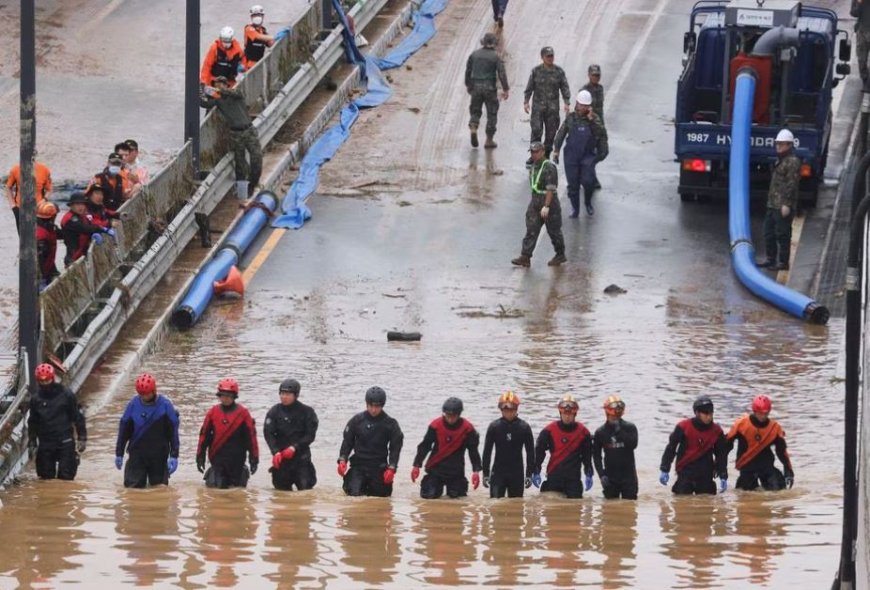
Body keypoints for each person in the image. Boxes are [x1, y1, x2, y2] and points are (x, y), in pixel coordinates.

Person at [115, 373, 181, 488]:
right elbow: (124, 430)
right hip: (137, 453)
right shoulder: (133, 405)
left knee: (159, 489)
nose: (144, 397)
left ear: (154, 391)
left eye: (147, 394)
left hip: (159, 455)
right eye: (142, 394)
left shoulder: (165, 406)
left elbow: (173, 432)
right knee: (133, 488)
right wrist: (119, 453)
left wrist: (174, 455)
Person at [201, 75, 263, 197]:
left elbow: (232, 92)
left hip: (249, 130)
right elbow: (204, 104)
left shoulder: (236, 94)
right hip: (236, 133)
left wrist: (215, 90)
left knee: (257, 158)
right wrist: (201, 91)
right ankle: (242, 192)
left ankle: (252, 184)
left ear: (226, 85)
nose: (218, 87)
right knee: (239, 164)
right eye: (216, 85)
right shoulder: (219, 101)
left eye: (221, 84)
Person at [337, 386, 404, 497]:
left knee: (381, 498)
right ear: (366, 403)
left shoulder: (391, 424)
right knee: (353, 495)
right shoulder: (356, 421)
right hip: (358, 465)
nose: (373, 410)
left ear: (382, 405)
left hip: (378, 467)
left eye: (377, 406)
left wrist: (392, 468)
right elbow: (347, 442)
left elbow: (395, 448)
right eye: (371, 406)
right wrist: (342, 459)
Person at [411, 397, 483, 499]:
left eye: (453, 416)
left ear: (459, 414)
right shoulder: (435, 425)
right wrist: (416, 465)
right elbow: (425, 446)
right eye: (447, 415)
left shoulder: (468, 429)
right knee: (429, 497)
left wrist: (476, 471)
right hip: (435, 469)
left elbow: (473, 451)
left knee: (457, 500)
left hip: (456, 471)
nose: (450, 419)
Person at [553, 90, 608, 217]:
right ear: (577, 104)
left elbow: (601, 133)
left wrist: (592, 120)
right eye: (580, 104)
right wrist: (556, 150)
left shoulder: (594, 119)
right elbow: (561, 133)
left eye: (585, 105)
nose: (582, 107)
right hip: (571, 156)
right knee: (573, 185)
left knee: (588, 182)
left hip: (587, 156)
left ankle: (588, 202)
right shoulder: (571, 118)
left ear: (589, 107)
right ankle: (575, 209)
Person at [196, 378, 260, 488]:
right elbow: (204, 435)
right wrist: (200, 456)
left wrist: (254, 458)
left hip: (237, 459)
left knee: (236, 492)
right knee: (216, 491)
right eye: (222, 395)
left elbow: (251, 437)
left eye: (228, 396)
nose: (225, 398)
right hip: (218, 458)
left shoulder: (243, 414)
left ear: (234, 396)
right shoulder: (213, 412)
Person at [659, 395, 729, 495]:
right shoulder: (683, 427)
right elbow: (671, 448)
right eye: (705, 413)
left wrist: (723, 475)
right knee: (681, 504)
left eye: (711, 413)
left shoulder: (717, 431)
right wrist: (665, 469)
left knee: (706, 505)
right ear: (697, 413)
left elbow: (721, 454)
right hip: (685, 472)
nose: (709, 417)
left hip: (706, 473)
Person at [28, 363, 87, 480]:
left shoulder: (66, 395)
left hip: (65, 441)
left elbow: (78, 417)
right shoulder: (35, 399)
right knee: (45, 478)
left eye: (47, 381)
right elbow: (32, 422)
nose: (45, 384)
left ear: (52, 378)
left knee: (66, 477)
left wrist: (82, 437)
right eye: (42, 382)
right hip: (46, 443)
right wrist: (32, 441)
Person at [511, 141, 565, 267]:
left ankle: (560, 254)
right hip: (535, 201)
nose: (534, 154)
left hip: (549, 202)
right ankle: (525, 256)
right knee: (531, 229)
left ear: (542, 152)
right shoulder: (534, 165)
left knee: (554, 231)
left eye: (536, 152)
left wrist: (546, 206)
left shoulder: (549, 167)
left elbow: (550, 189)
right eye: (532, 152)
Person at [726, 395, 794, 491]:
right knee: (743, 495)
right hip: (747, 467)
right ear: (754, 411)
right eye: (760, 413)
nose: (763, 416)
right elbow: (726, 445)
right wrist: (721, 467)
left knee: (779, 490)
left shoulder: (775, 428)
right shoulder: (741, 424)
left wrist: (788, 471)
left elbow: (782, 452)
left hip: (766, 466)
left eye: (766, 414)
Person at [532, 394, 594, 499]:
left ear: (575, 414)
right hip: (554, 476)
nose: (567, 416)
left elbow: (587, 456)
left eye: (570, 413)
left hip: (573, 479)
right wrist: (536, 470)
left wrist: (589, 473)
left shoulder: (583, 432)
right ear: (560, 413)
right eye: (565, 413)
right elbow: (539, 451)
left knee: (575, 508)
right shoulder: (549, 430)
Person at [264, 378, 319, 491]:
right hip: (281, 460)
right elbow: (268, 433)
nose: (284, 397)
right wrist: (275, 452)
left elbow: (310, 435)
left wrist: (294, 447)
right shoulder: (274, 412)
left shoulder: (307, 412)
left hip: (301, 459)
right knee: (281, 495)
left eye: (288, 394)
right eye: (282, 393)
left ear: (296, 395)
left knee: (305, 492)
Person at [758, 129, 800, 271]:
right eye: (777, 144)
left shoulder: (792, 162)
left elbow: (791, 184)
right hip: (772, 204)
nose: (778, 146)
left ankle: (783, 262)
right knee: (768, 232)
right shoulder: (780, 161)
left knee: (782, 234)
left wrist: (786, 204)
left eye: (781, 144)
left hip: (782, 205)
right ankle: (771, 259)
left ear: (789, 145)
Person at [481, 390, 535, 498]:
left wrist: (529, 474)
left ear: (516, 409)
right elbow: (487, 452)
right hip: (498, 473)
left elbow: (530, 453)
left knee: (517, 508)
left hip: (517, 473)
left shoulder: (524, 427)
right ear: (501, 409)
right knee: (495, 507)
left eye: (511, 409)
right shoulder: (494, 427)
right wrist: (485, 474)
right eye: (505, 409)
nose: (508, 412)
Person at [523, 46, 571, 161]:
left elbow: (564, 87)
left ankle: (546, 153)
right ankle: (534, 155)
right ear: (542, 57)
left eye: (552, 56)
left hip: (552, 109)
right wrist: (526, 101)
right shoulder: (536, 71)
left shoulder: (559, 72)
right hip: (538, 107)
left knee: (551, 132)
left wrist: (567, 102)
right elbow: (530, 87)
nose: (550, 58)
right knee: (536, 130)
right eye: (548, 56)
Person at [464, 33, 509, 149]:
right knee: (492, 113)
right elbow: (502, 73)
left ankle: (474, 126)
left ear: (483, 42)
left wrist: (469, 85)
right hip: (490, 88)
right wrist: (505, 88)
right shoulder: (496, 56)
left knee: (475, 111)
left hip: (476, 87)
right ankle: (489, 140)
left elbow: (468, 71)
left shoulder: (474, 55)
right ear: (494, 43)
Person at [592, 395, 638, 499]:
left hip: (629, 476)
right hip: (610, 477)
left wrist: (620, 431)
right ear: (606, 413)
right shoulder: (600, 432)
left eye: (617, 416)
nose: (614, 418)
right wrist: (601, 475)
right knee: (609, 510)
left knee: (630, 508)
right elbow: (596, 456)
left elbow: (633, 445)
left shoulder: (630, 427)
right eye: (612, 416)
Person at [60, 192, 114, 266]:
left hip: (83, 253)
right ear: (71, 206)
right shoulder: (70, 219)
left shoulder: (82, 216)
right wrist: (103, 229)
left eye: (83, 204)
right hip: (74, 257)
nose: (81, 207)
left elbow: (91, 224)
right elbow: (85, 228)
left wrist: (94, 234)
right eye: (78, 204)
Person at [6, 155, 52, 232]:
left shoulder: (44, 170)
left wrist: (44, 200)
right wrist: (13, 205)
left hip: (38, 210)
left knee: (39, 237)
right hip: (20, 209)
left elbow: (49, 189)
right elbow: (8, 187)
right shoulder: (15, 169)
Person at [36, 201, 60, 288]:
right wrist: (42, 278)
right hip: (40, 274)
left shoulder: (49, 229)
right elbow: (40, 259)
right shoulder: (41, 235)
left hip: (47, 269)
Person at [853, 0, 870, 90]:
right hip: (862, 32)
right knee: (862, 59)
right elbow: (853, 13)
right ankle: (865, 80)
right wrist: (859, 3)